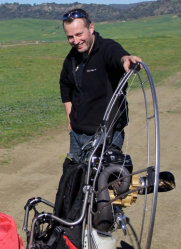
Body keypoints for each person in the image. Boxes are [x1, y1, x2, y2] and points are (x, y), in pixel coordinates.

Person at [59, 9, 142, 158]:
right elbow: (65, 84)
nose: (75, 41)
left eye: (79, 34)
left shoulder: (106, 48)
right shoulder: (72, 57)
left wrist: (126, 59)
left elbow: (117, 56)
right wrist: (70, 116)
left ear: (91, 28)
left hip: (105, 135)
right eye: (70, 37)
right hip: (76, 135)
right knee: (73, 178)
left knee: (102, 180)